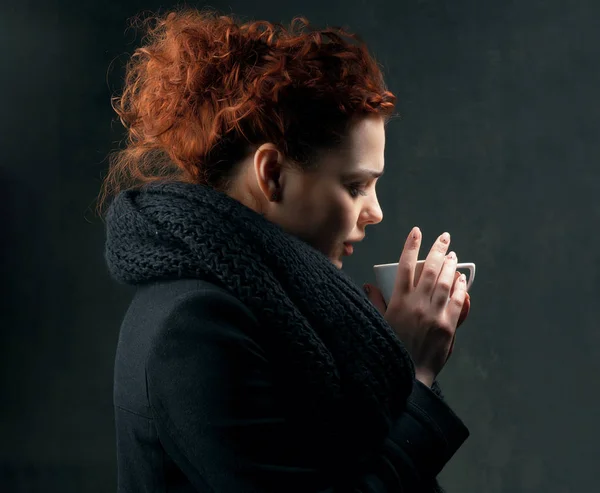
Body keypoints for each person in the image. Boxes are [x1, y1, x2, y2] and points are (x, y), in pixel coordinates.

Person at [101, 8, 472, 493]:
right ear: (272, 173)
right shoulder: (194, 326)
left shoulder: (274, 302)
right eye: (356, 185)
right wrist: (417, 372)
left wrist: (392, 359)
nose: (375, 211)